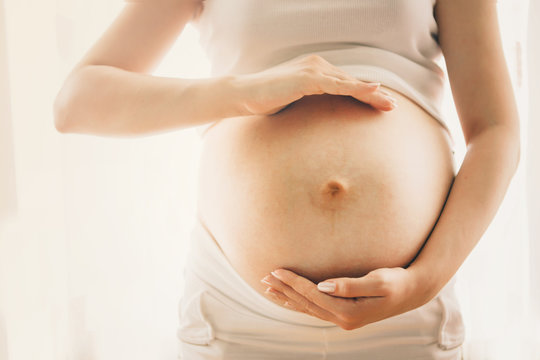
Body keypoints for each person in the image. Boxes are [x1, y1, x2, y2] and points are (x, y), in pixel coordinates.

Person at [53, 0, 521, 358]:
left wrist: (423, 281)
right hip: (239, 316)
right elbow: (77, 101)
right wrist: (244, 91)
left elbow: (496, 130)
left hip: (405, 314)